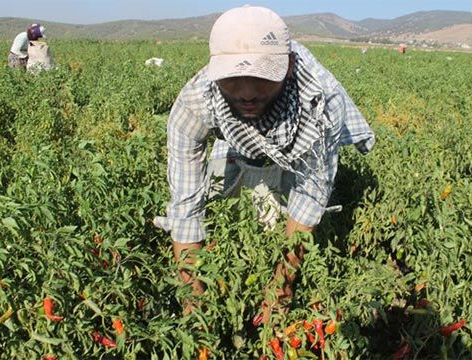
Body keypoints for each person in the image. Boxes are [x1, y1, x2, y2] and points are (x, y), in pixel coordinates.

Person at [153, 5, 375, 323]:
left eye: (260, 77)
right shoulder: (195, 103)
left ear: (288, 68)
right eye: (232, 78)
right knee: (229, 207)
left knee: (288, 211)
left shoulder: (320, 104)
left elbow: (309, 199)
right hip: (238, 144)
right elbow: (185, 205)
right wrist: (194, 299)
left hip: (299, 138)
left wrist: (280, 292)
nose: (246, 92)